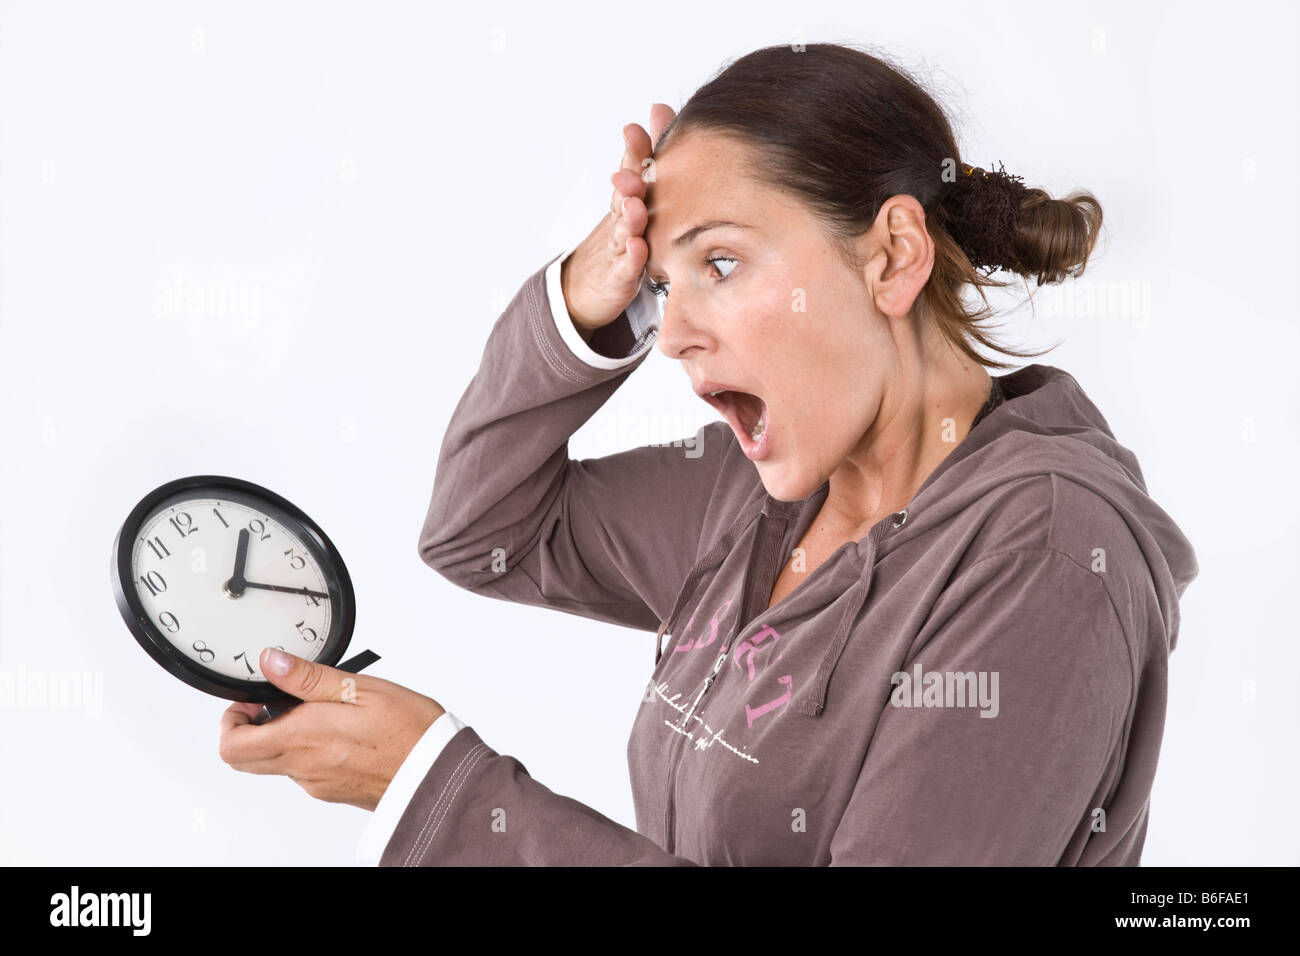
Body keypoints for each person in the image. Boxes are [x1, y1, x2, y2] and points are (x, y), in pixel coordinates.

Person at [219, 42, 1198, 866]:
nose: (673, 334)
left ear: (894, 256)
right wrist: (592, 292)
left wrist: (436, 790)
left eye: (719, 263)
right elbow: (481, 532)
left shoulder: (1047, 555)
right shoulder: (757, 495)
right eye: (661, 285)